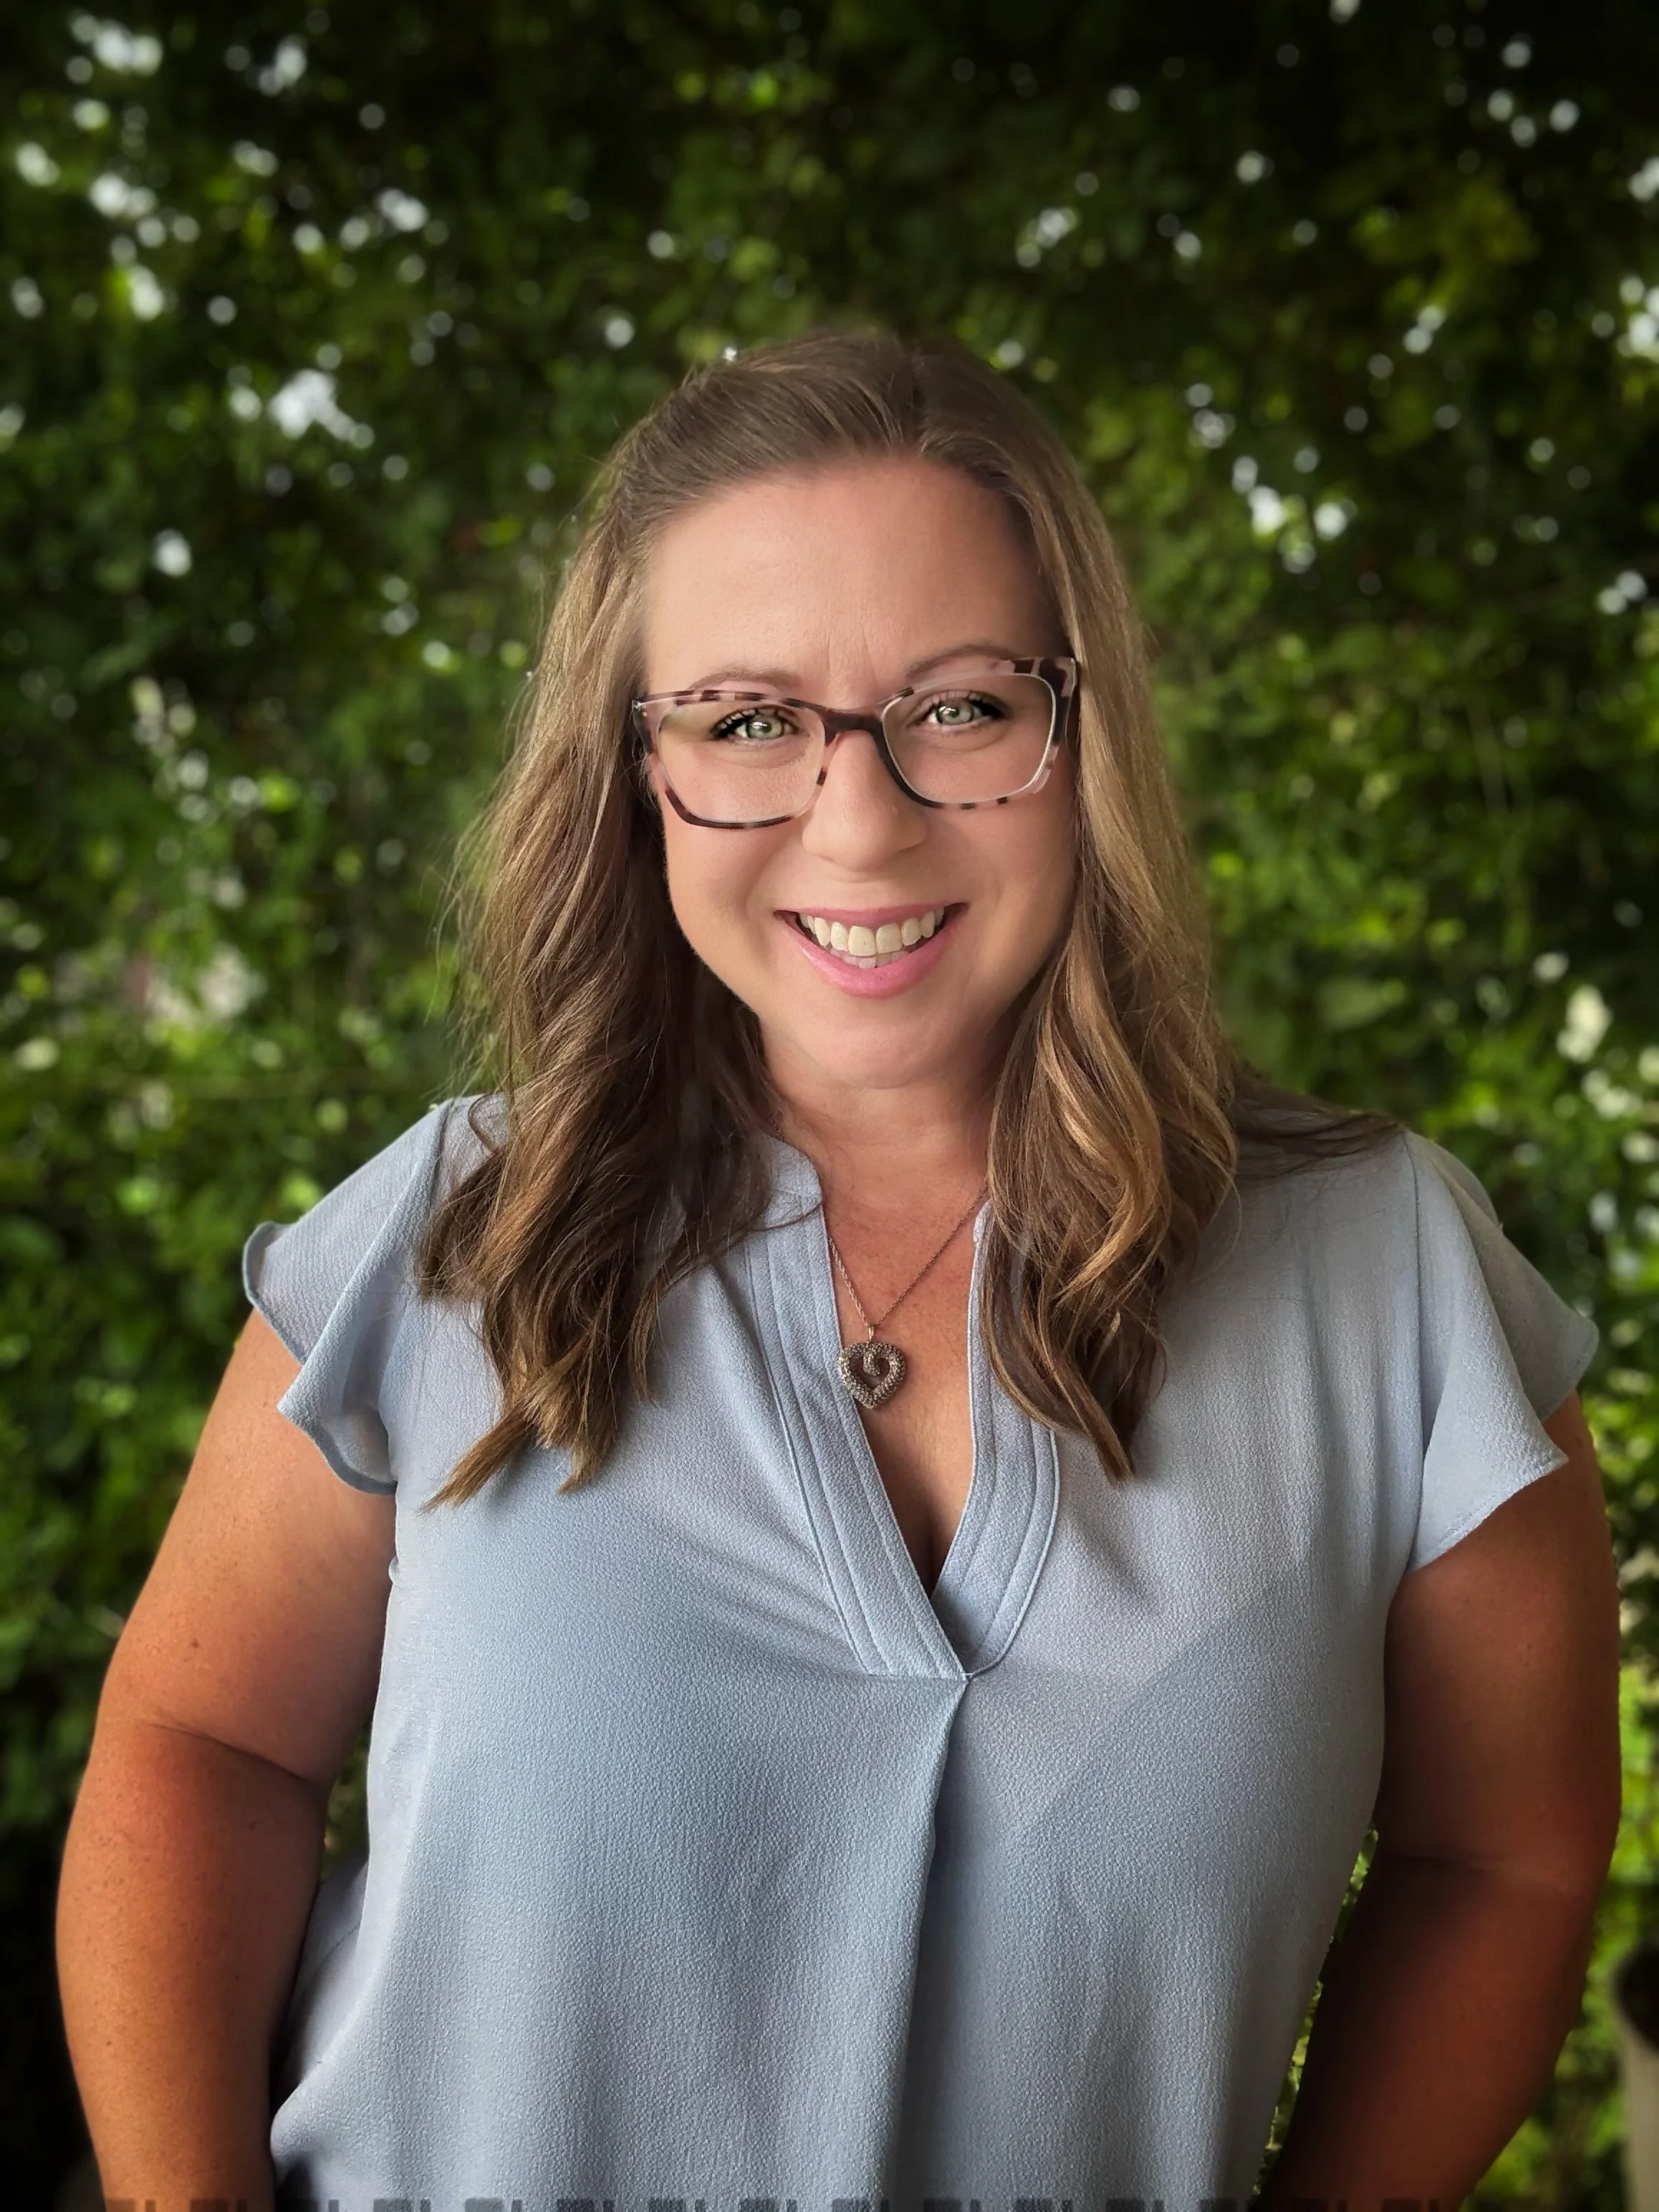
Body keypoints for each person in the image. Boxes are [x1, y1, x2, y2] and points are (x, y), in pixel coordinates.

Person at [56, 325, 1621, 2212]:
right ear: (630, 775)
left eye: (959, 705)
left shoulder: (1385, 1286)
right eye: (744, 722)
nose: (857, 817)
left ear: (1080, 733)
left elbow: (1502, 1855)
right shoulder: (452, 1236)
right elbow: (198, 1740)